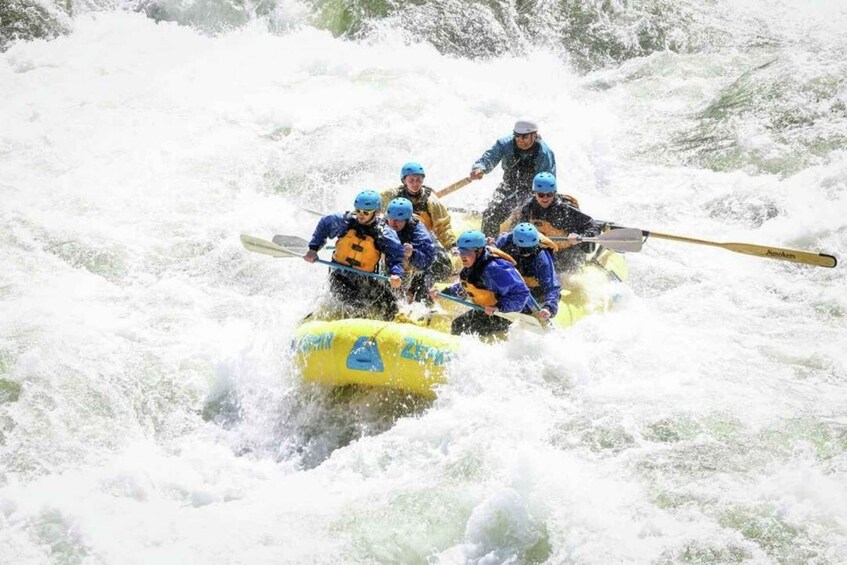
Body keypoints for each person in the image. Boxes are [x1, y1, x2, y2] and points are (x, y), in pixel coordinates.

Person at [304, 190, 405, 321]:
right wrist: (313, 248)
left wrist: (396, 274)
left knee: (390, 303)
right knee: (357, 306)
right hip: (339, 276)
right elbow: (325, 223)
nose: (361, 216)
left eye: (366, 212)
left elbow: (396, 256)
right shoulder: (345, 222)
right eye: (358, 211)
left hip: (365, 279)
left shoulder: (384, 233)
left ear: (377, 212)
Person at [430, 230, 530, 337]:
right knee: (458, 325)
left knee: (460, 328)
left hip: (507, 313)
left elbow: (522, 293)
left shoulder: (493, 269)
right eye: (461, 251)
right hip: (489, 310)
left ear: (479, 251)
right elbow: (467, 288)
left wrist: (499, 307)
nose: (462, 255)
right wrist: (444, 294)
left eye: (466, 251)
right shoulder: (471, 268)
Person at [469, 119, 556, 237]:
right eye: (517, 135)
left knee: (520, 221)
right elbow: (490, 156)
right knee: (491, 214)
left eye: (524, 137)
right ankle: (488, 249)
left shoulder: (544, 153)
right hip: (509, 185)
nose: (520, 140)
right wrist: (480, 168)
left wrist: (537, 203)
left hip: (533, 191)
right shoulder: (505, 143)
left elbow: (548, 182)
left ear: (534, 135)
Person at [508, 172, 599, 275]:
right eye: (541, 195)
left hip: (567, 252)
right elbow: (516, 230)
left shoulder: (565, 209)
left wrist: (580, 237)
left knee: (565, 265)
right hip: (544, 251)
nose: (545, 198)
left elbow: (592, 226)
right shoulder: (528, 209)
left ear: (554, 192)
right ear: (535, 193)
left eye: (549, 194)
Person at [381, 162, 456, 280]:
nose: (415, 184)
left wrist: (451, 245)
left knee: (443, 266)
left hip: (421, 237)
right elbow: (372, 206)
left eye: (419, 180)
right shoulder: (392, 195)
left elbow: (443, 226)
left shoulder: (431, 200)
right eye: (411, 180)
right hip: (396, 233)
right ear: (404, 181)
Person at [494, 223, 561, 321]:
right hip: (513, 284)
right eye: (524, 250)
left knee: (523, 306)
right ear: (514, 244)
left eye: (531, 249)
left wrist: (549, 308)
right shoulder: (504, 242)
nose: (528, 253)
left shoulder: (541, 258)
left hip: (534, 290)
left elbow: (552, 287)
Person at [385, 197, 436, 303]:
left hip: (422, 268)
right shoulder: (383, 222)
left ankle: (412, 297)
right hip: (396, 264)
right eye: (391, 218)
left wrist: (413, 253)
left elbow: (428, 261)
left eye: (398, 220)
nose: (393, 223)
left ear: (407, 219)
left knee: (420, 293)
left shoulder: (418, 232)